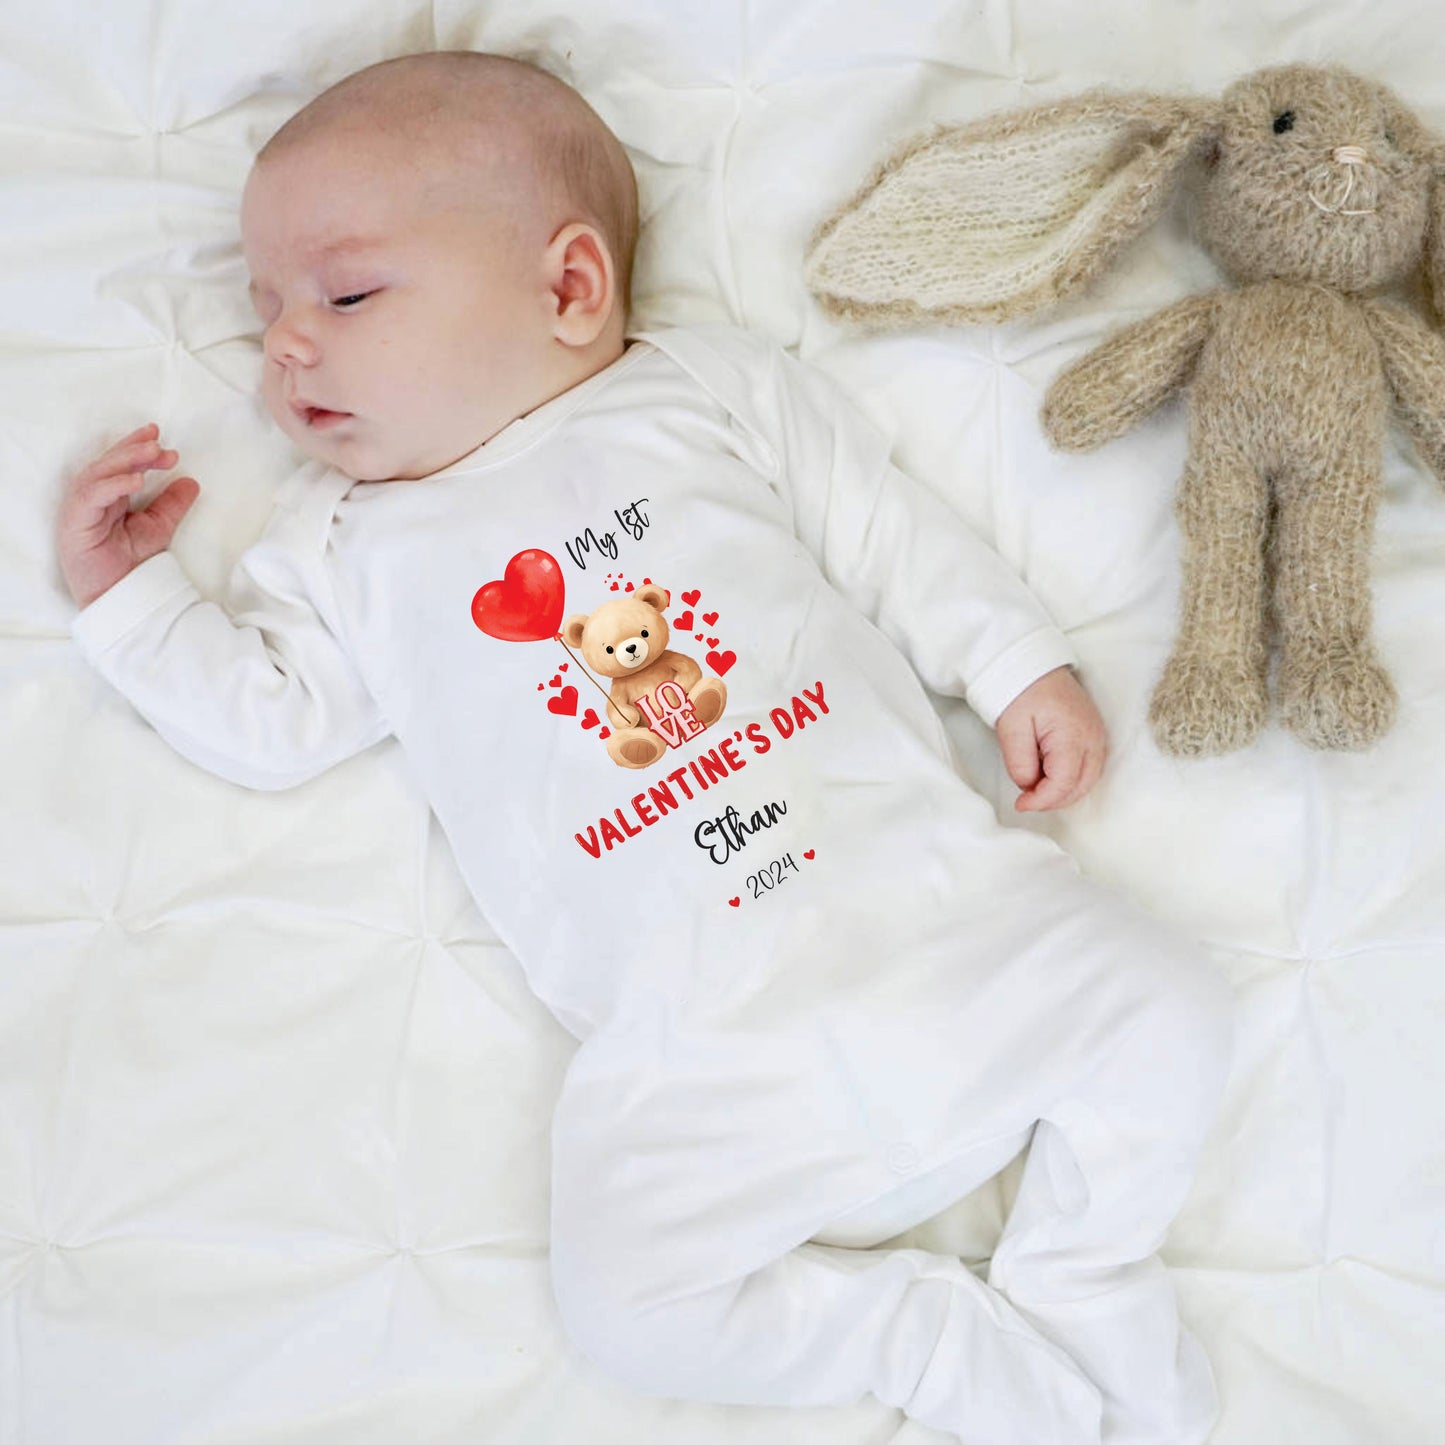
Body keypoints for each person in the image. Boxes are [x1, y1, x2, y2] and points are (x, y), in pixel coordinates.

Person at [57, 50, 1234, 1445]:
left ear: (567, 287)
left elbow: (882, 531)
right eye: (266, 313)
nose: (289, 345)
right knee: (624, 1304)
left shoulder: (702, 390)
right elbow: (271, 721)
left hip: (942, 919)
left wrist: (1012, 658)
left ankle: (1081, 1259)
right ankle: (916, 1334)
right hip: (698, 1050)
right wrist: (129, 600)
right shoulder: (344, 546)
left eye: (347, 292)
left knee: (1174, 1009)